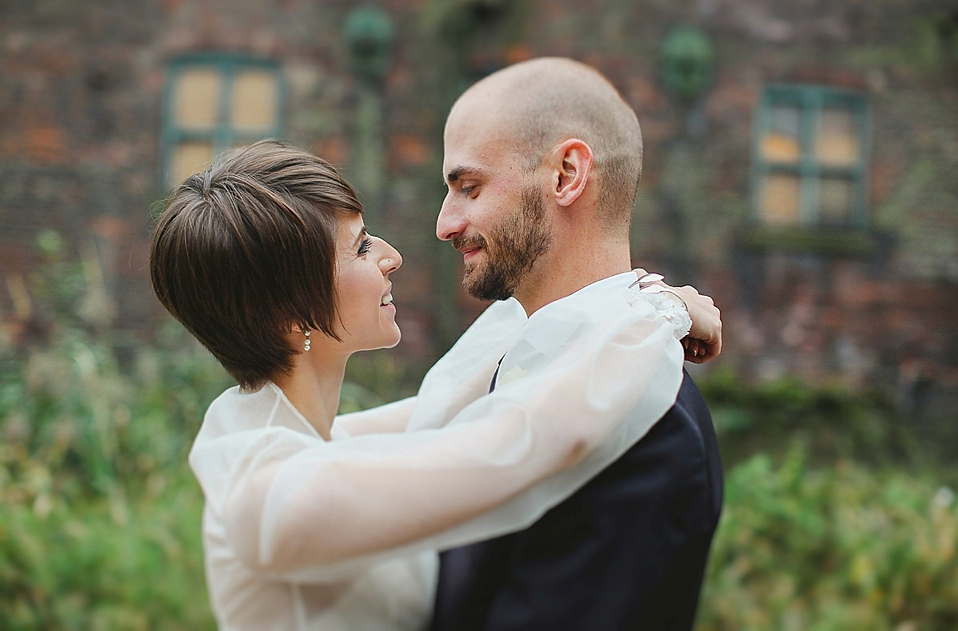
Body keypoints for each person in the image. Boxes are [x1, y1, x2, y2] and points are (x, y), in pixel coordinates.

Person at [149, 140, 719, 630]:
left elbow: (455, 398)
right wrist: (660, 315)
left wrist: (637, 303)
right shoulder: (271, 493)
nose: (392, 256)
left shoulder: (292, 434)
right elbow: (527, 437)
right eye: (361, 247)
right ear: (290, 316)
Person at [427, 57, 724, 631]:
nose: (444, 223)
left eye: (469, 187)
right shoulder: (515, 352)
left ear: (567, 175)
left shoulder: (647, 426)